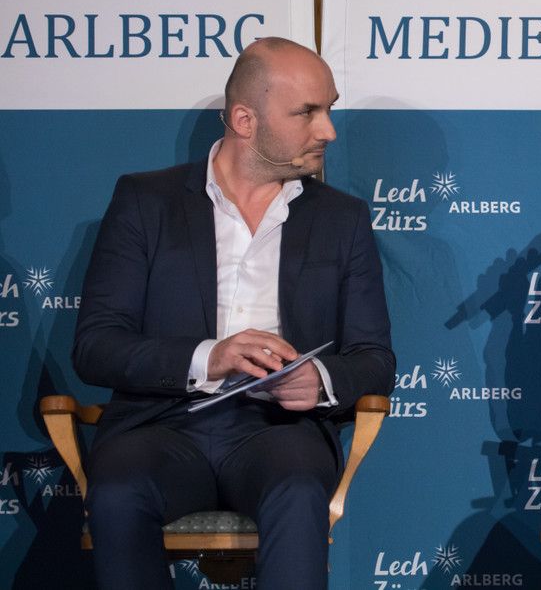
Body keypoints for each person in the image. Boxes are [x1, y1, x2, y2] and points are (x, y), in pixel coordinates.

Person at [72, 37, 395, 590]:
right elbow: (96, 346)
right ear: (245, 120)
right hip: (159, 424)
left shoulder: (342, 218)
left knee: (298, 489)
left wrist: (320, 379)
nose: (328, 131)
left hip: (279, 432)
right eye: (307, 113)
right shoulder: (145, 201)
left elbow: (375, 359)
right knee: (119, 490)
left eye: (329, 109)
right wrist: (210, 357)